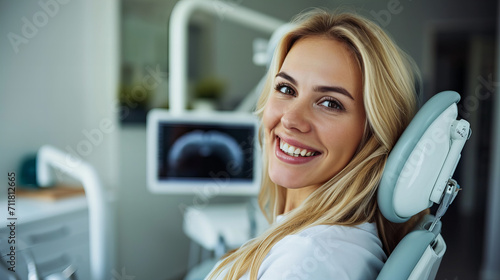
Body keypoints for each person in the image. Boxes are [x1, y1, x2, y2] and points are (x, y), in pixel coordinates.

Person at [206, 9, 426, 280]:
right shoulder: (320, 241)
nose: (290, 119)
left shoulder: (308, 259)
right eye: (286, 89)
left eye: (330, 103)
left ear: (373, 134)